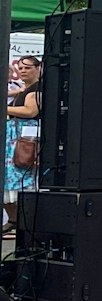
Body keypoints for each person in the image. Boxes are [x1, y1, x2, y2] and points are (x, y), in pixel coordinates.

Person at [2, 55, 39, 218]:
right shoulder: (23, 89)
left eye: (27, 68)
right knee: (9, 180)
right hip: (14, 141)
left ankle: (22, 220)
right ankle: (13, 219)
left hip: (26, 141)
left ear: (38, 68)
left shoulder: (37, 89)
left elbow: (31, 111)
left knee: (23, 175)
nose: (23, 71)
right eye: (21, 68)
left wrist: (5, 109)